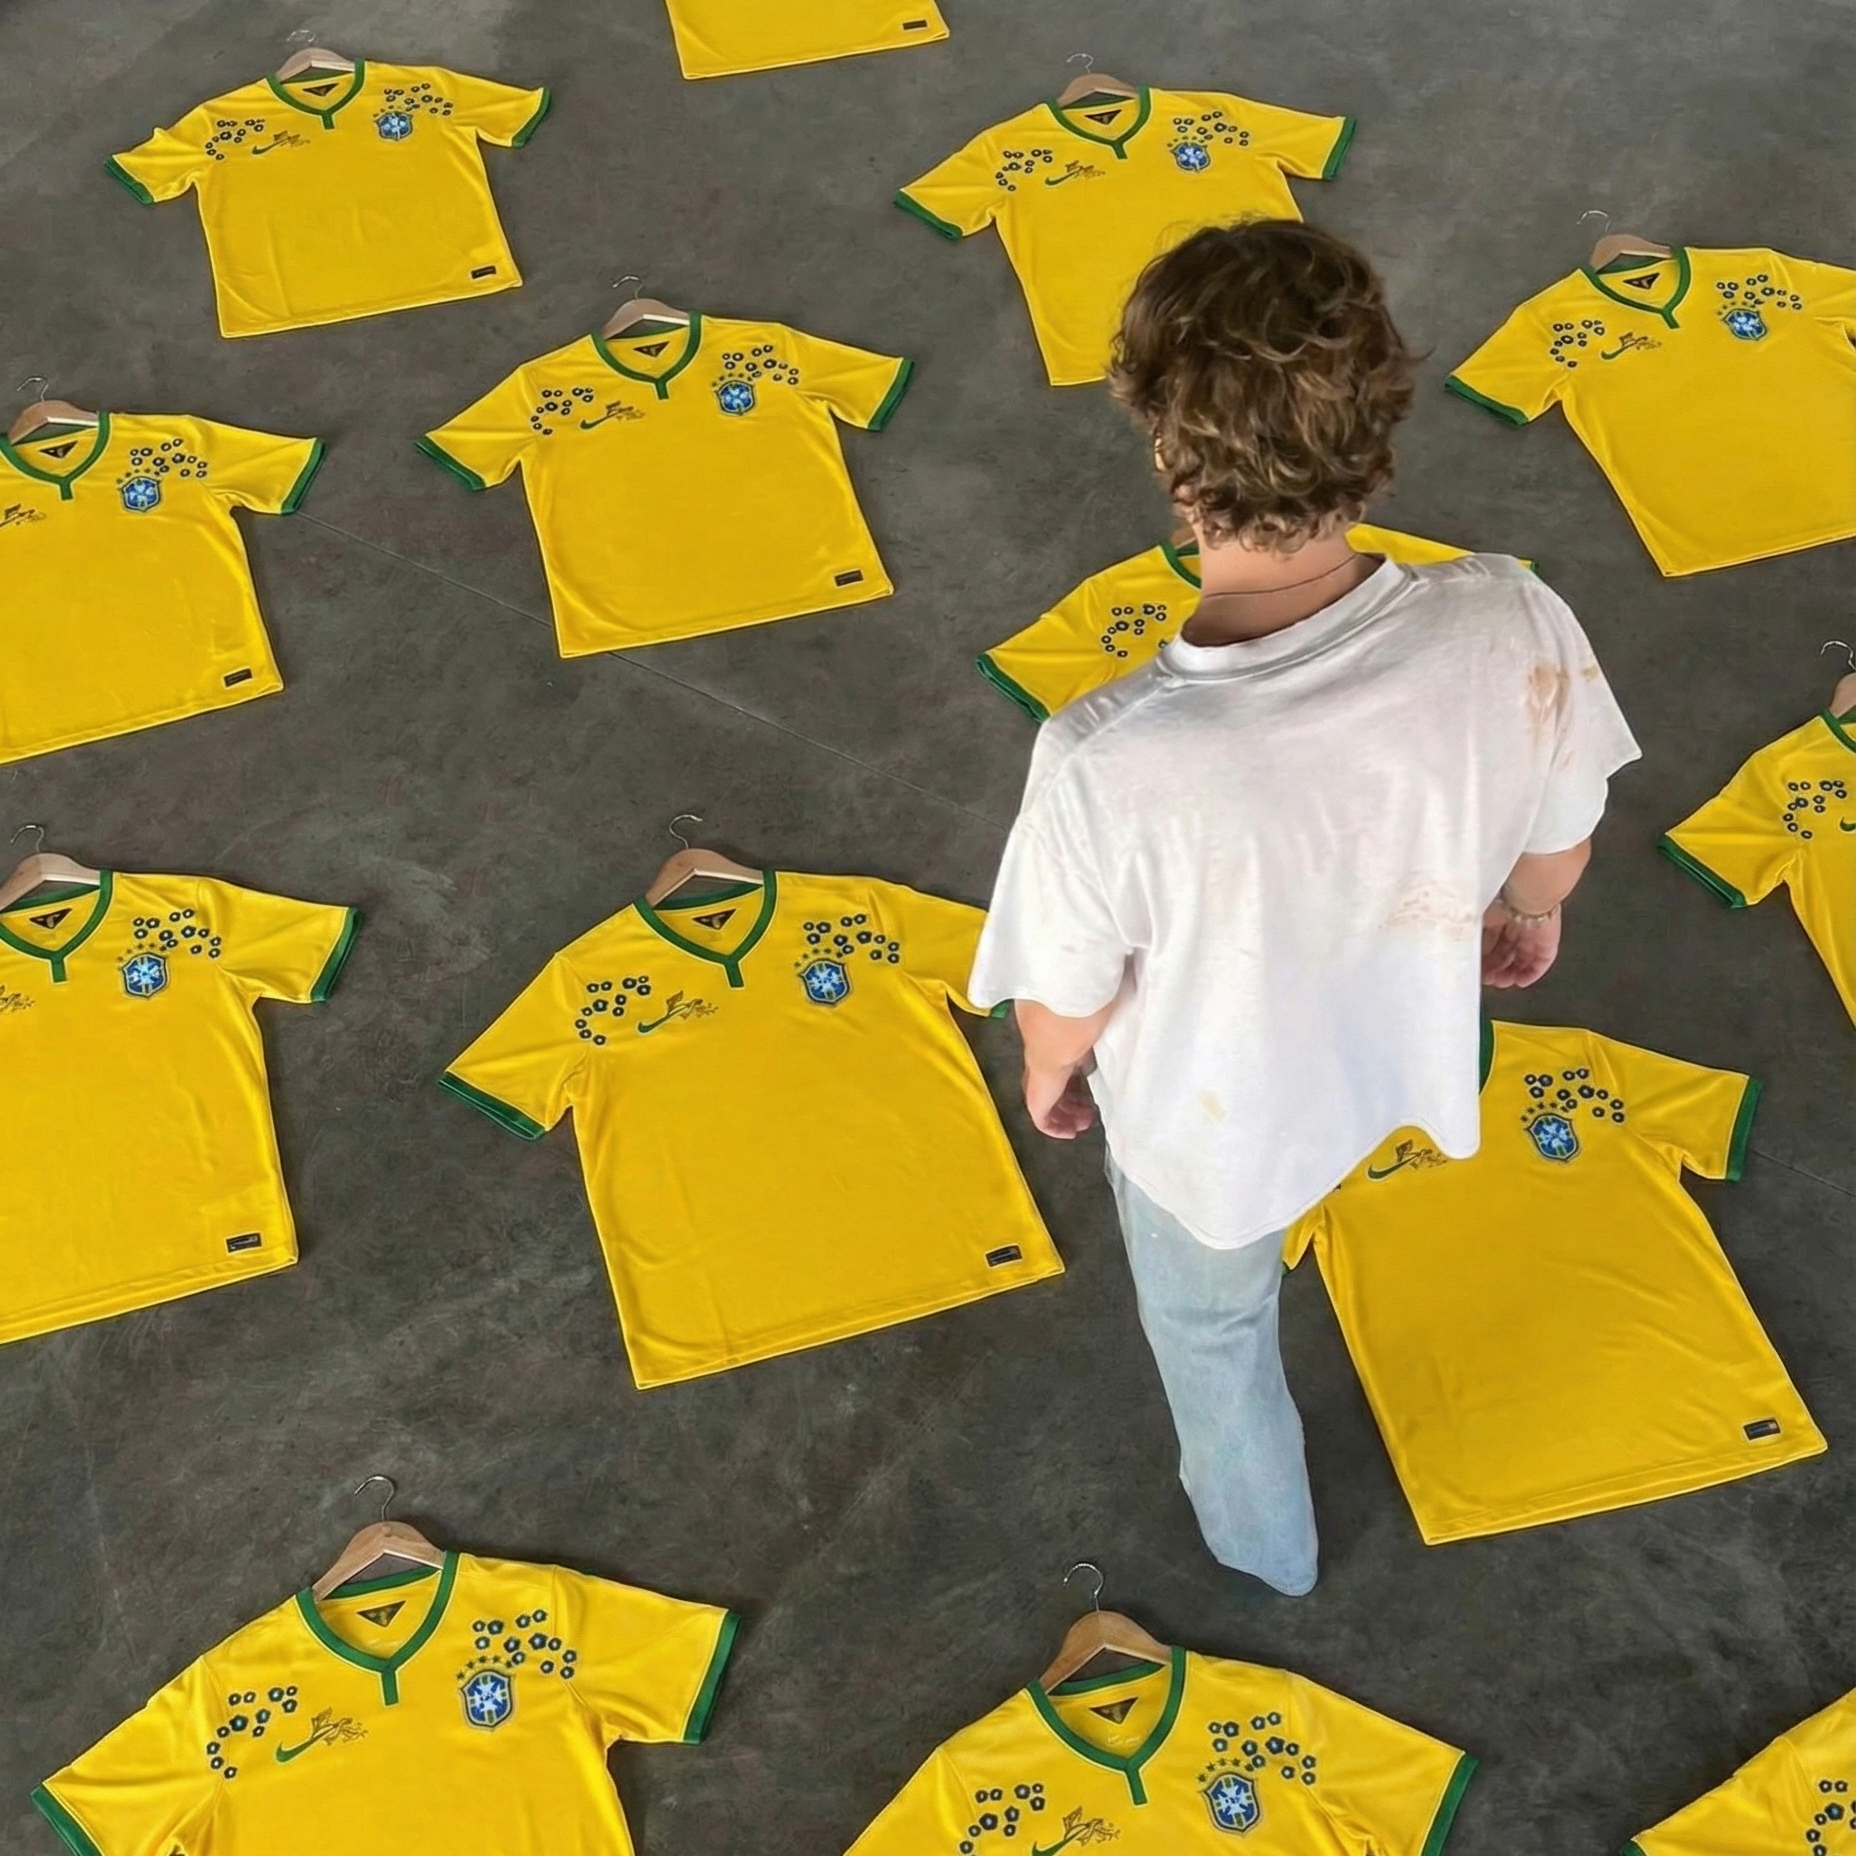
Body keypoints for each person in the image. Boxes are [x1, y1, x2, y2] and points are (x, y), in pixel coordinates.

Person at [967, 220, 1641, 1596]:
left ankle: (1270, 1554)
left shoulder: (1107, 758)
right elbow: (1558, 841)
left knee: (1215, 1337)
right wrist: (1527, 911)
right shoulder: (1511, 612)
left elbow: (1066, 999)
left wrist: (1047, 1070)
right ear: (1380, 424)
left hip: (1215, 1139)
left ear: (1168, 450)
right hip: (1401, 1055)